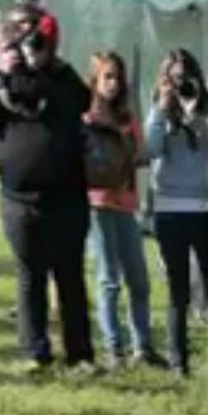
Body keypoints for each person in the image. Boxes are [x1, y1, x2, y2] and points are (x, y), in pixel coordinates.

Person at [0, 12, 96, 375]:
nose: (23, 50)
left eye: (27, 42)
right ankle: (34, 351)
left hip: (68, 194)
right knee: (30, 275)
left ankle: (80, 354)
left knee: (70, 274)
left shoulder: (59, 75)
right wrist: (1, 74)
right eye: (12, 45)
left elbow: (82, 103)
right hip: (18, 199)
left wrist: (42, 68)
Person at [84, 51, 167, 371]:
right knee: (109, 280)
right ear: (95, 80)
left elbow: (143, 154)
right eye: (107, 77)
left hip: (127, 205)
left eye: (118, 77)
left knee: (140, 281)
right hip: (99, 205)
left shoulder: (127, 119)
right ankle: (113, 348)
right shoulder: (86, 120)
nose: (114, 84)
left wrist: (162, 108)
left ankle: (142, 347)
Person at [145, 48, 208, 378]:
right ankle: (178, 362)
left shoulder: (207, 107)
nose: (181, 81)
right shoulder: (158, 108)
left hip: (204, 207)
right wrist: (163, 108)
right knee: (178, 291)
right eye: (174, 76)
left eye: (186, 75)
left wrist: (196, 113)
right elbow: (151, 148)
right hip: (169, 208)